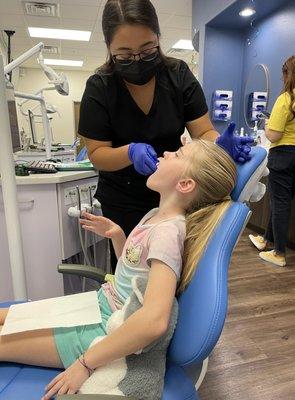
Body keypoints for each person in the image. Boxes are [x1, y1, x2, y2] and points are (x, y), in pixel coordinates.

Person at [0, 140, 236, 398]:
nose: (166, 152)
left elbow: (155, 321)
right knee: (8, 315)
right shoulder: (156, 216)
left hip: (102, 329)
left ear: (185, 184)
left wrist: (85, 363)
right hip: (97, 305)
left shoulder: (168, 233)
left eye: (177, 154)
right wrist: (117, 236)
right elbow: (133, 273)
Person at [78, 0, 251, 270]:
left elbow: (203, 131)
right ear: (109, 48)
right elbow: (97, 153)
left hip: (173, 196)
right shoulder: (100, 87)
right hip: (122, 199)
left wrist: (218, 144)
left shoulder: (177, 75)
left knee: (170, 267)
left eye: (147, 50)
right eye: (124, 54)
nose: (136, 60)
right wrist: (129, 152)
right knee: (128, 267)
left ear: (158, 38)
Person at [249, 55, 295, 267]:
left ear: (288, 74)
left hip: (283, 155)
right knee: (282, 202)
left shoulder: (286, 99)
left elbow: (274, 135)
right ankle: (266, 239)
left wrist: (267, 125)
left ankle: (278, 253)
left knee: (279, 203)